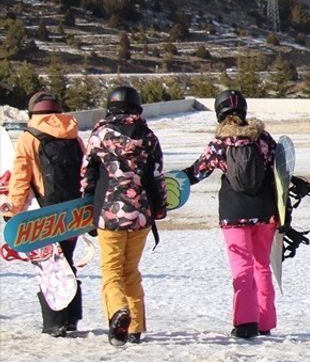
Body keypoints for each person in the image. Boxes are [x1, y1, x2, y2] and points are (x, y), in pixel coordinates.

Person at [181, 90, 280, 339]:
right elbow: (279, 170)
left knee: (241, 267)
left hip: (233, 213)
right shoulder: (262, 138)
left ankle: (246, 322)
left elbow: (198, 172)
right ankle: (265, 320)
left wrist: (170, 184)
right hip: (264, 211)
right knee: (262, 266)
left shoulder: (219, 143)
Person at [81, 86, 166, 346]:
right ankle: (135, 327)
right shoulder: (148, 137)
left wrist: (88, 210)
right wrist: (159, 210)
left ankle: (118, 312)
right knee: (130, 271)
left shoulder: (100, 135)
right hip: (140, 214)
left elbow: (88, 177)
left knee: (111, 272)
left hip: (109, 215)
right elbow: (157, 178)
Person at [3, 92, 85, 337]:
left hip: (44, 211)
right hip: (74, 211)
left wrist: (13, 210)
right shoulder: (74, 135)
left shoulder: (29, 137)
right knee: (67, 260)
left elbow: (20, 177)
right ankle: (71, 318)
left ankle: (55, 322)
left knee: (48, 263)